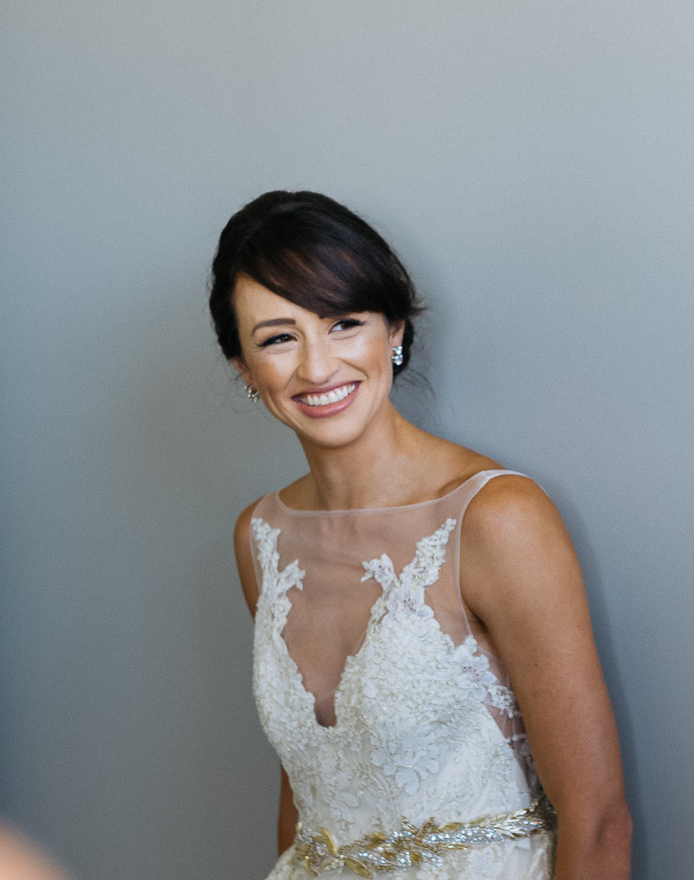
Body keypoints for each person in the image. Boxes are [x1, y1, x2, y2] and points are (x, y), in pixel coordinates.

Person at [211, 191, 631, 879]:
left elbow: (599, 819)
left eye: (344, 324)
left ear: (395, 331)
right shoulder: (259, 538)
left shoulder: (496, 518)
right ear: (245, 370)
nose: (317, 368)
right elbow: (306, 791)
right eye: (279, 338)